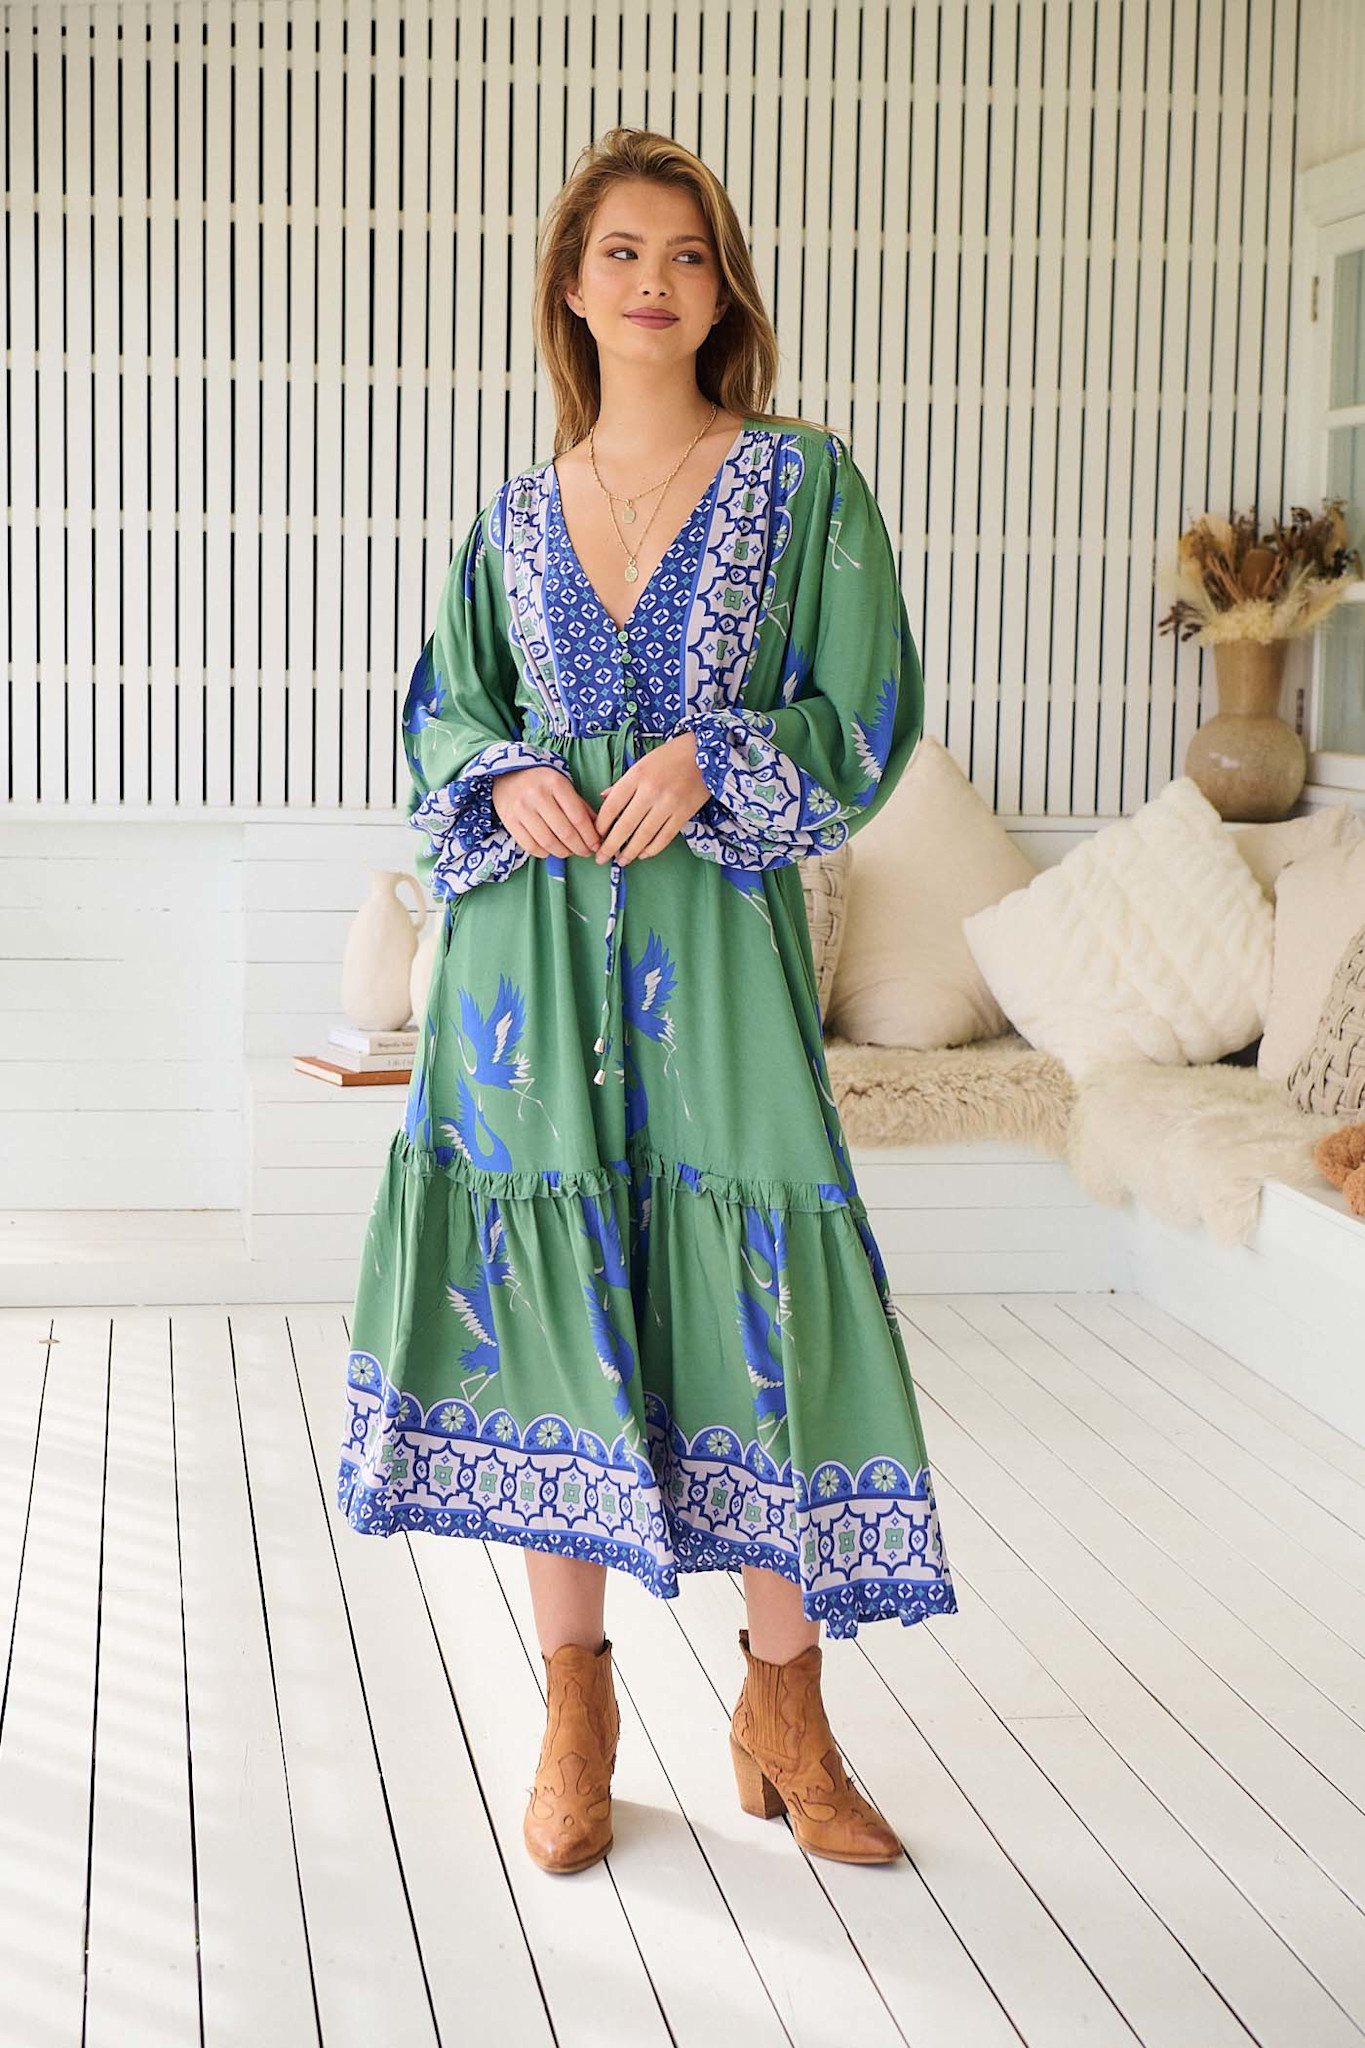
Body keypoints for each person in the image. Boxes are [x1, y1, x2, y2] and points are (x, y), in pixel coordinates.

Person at [337, 127, 958, 1876]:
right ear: (569, 286)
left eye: (687, 253)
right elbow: (440, 718)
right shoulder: (511, 518)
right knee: (550, 1306)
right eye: (621, 251)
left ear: (724, 287)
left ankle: (785, 1712)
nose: (655, 280)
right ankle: (575, 1713)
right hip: (524, 968)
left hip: (716, 953)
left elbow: (865, 712)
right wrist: (507, 774)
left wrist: (710, 756)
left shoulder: (802, 483)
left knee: (758, 1302)